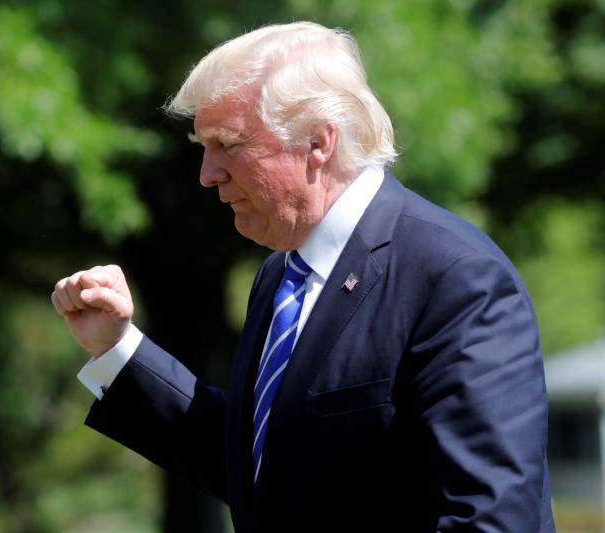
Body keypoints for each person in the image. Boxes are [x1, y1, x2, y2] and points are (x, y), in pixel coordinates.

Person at [51, 21, 556, 532]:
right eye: (204, 146)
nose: (207, 173)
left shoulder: (456, 278)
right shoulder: (281, 275)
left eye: (228, 143)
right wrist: (116, 349)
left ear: (318, 142)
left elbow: (490, 521)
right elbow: (262, 471)